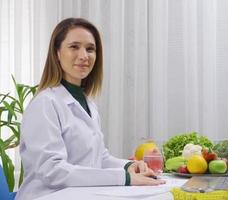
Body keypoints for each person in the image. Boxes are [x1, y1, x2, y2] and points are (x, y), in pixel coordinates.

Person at [15, 18, 165, 200]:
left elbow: (99, 159)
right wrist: (124, 178)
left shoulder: (88, 103)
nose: (84, 56)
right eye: (74, 47)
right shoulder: (45, 104)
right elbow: (53, 171)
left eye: (90, 49)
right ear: (57, 53)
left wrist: (128, 167)